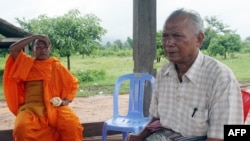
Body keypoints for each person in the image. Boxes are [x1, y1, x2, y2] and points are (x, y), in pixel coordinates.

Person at [126, 8, 243, 141]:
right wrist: (139, 136)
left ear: (199, 39)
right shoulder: (164, 73)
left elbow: (224, 136)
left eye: (177, 36)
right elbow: (157, 118)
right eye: (165, 36)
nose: (168, 43)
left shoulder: (221, 77)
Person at [3, 35, 83, 141]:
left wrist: (65, 101)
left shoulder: (56, 66)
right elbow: (13, 49)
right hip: (31, 108)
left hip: (54, 107)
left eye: (45, 47)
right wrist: (35, 36)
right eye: (39, 47)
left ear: (49, 50)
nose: (42, 50)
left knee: (73, 124)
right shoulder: (26, 64)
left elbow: (72, 83)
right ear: (33, 50)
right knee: (21, 129)